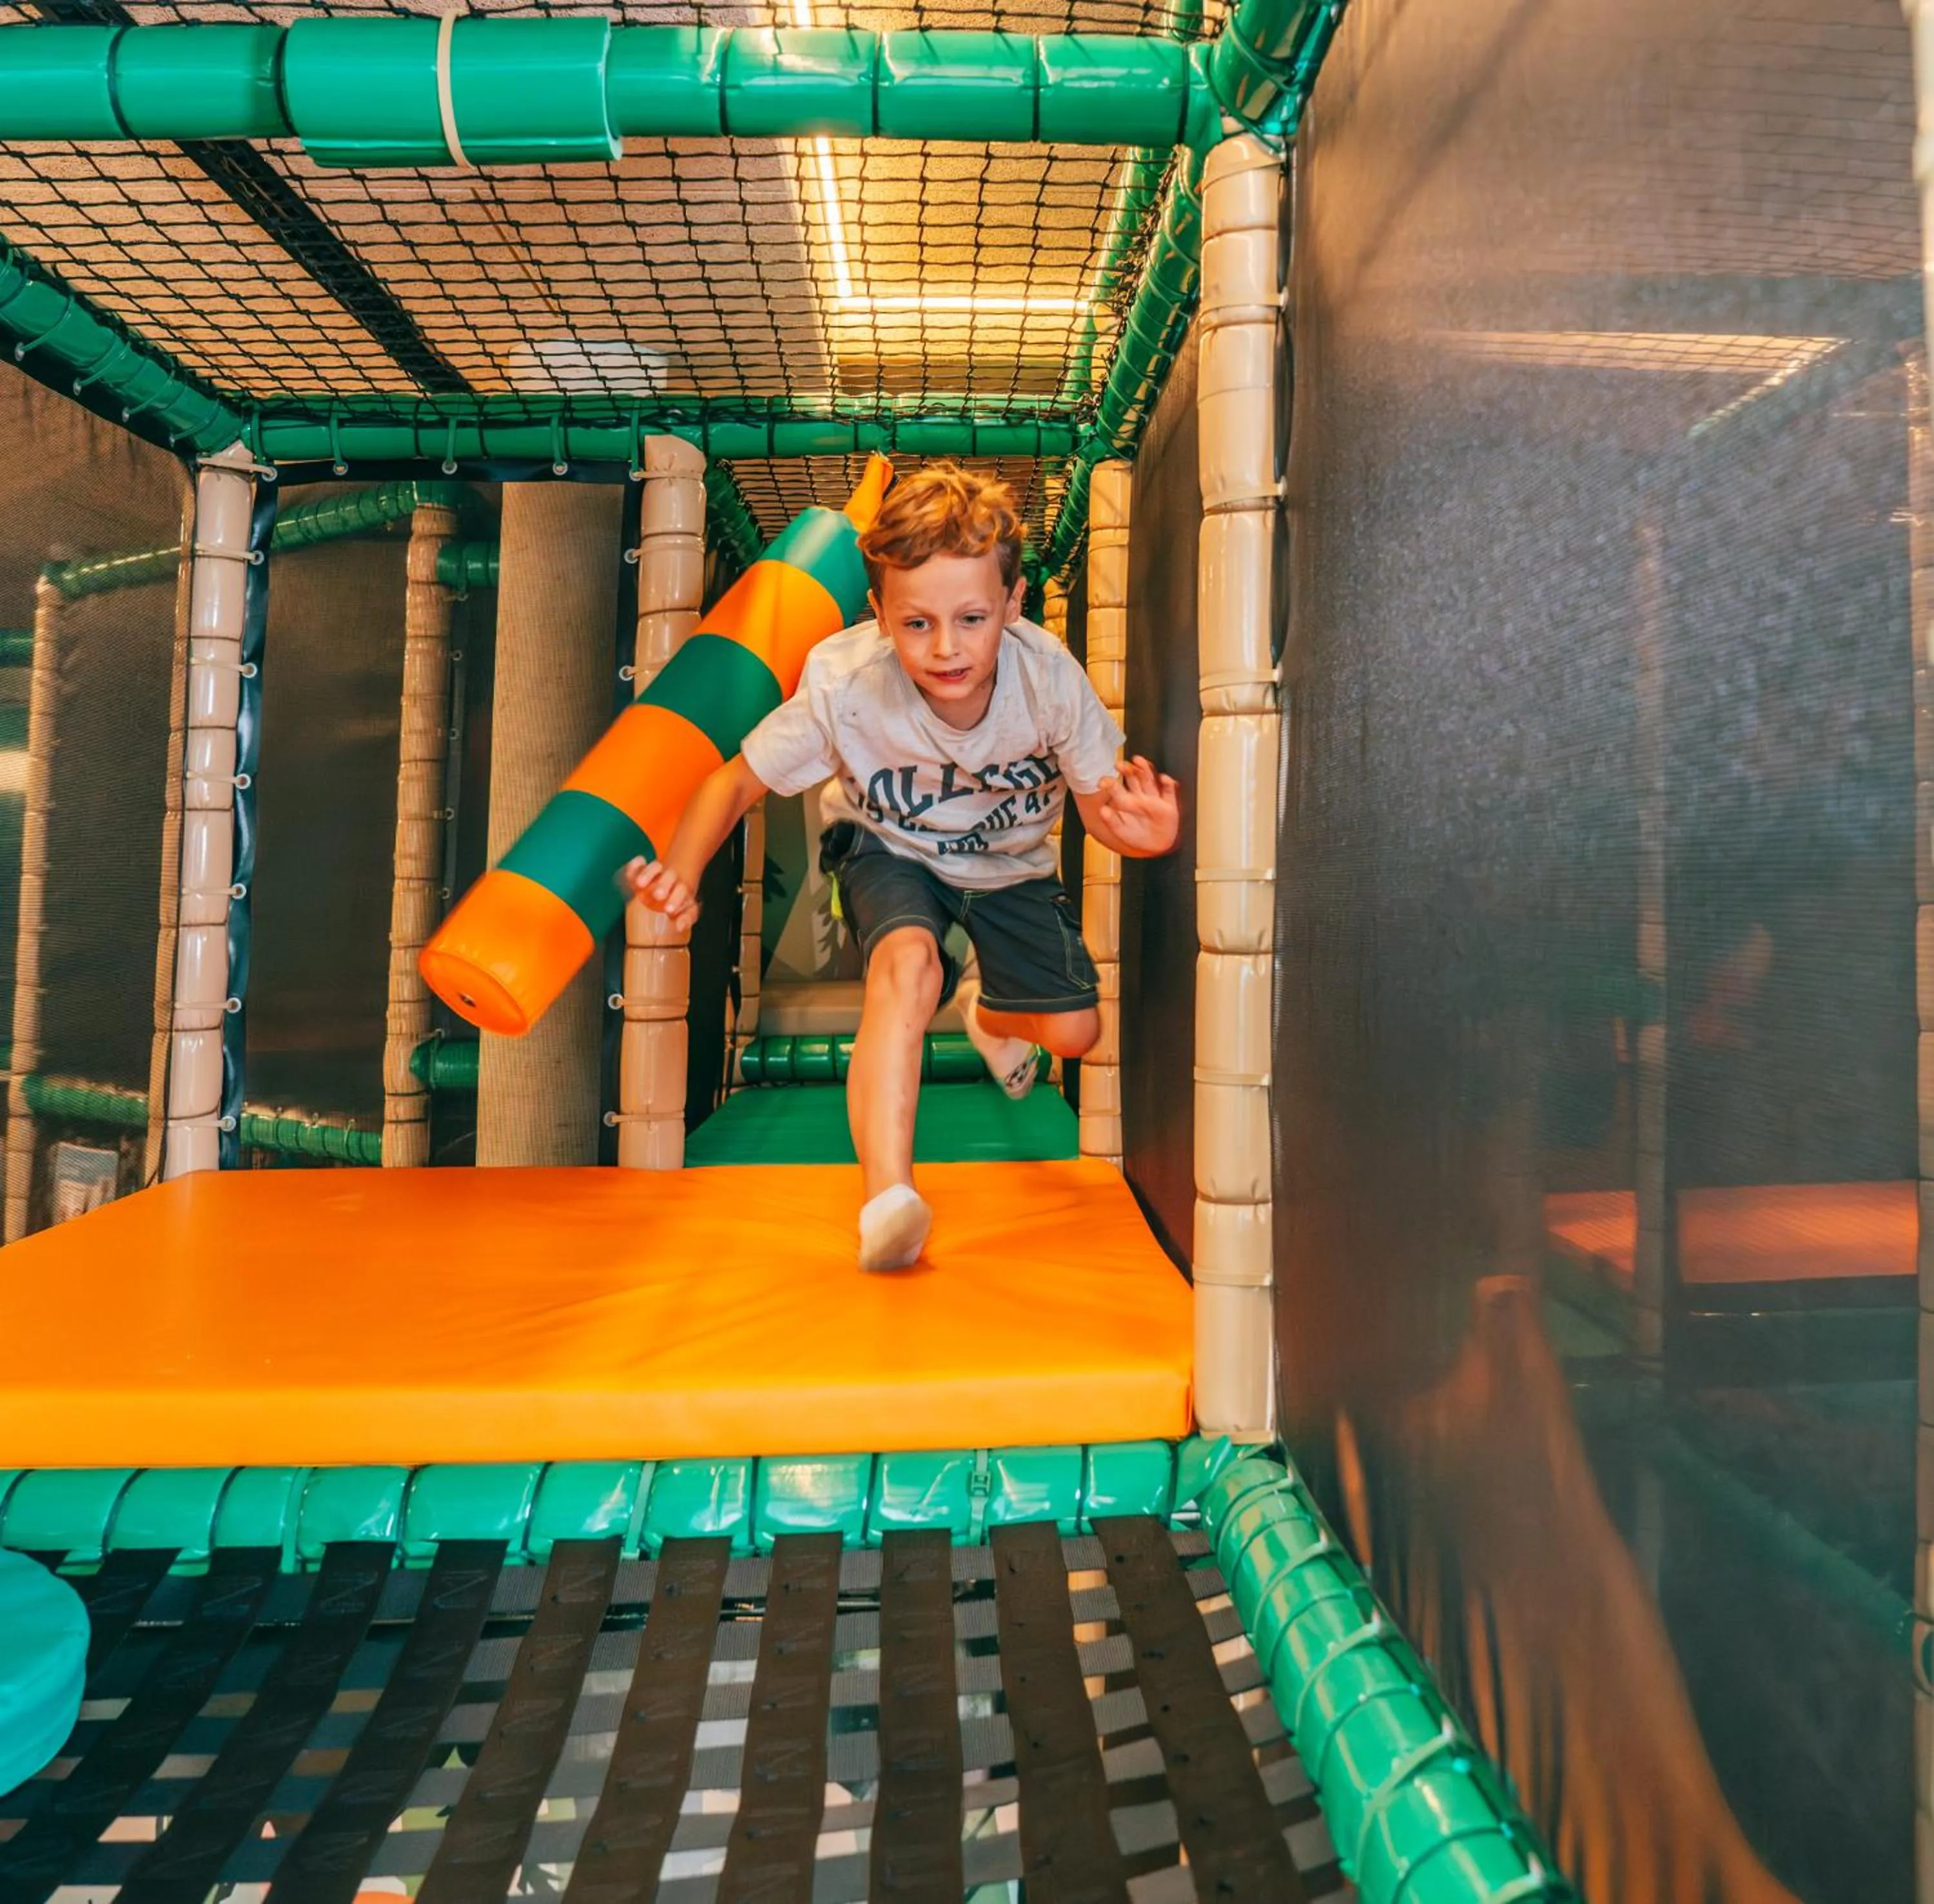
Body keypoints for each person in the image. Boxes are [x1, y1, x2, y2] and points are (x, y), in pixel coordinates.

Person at [627, 463, 1181, 1270]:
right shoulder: (847, 685)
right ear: (879, 614)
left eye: (971, 618)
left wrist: (1148, 839)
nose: (947, 647)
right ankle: (889, 1198)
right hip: (883, 845)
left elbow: (1102, 810)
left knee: (1077, 1032)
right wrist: (678, 874)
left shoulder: (1049, 678)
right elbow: (733, 778)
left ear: (1013, 606)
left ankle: (989, 1016)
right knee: (907, 965)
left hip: (1009, 862)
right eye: (917, 622)